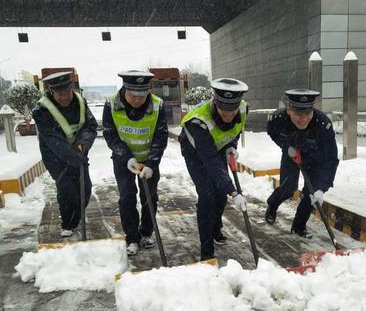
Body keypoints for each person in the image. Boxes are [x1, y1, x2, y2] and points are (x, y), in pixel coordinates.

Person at [179, 78, 249, 261]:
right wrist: (234, 192)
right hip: (195, 152)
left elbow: (233, 132)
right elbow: (210, 162)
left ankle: (215, 229)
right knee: (207, 196)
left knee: (220, 195)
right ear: (215, 102)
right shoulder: (198, 121)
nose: (228, 114)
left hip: (216, 149)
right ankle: (206, 251)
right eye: (223, 109)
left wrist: (231, 147)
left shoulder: (243, 109)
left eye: (232, 109)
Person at [103, 70, 168, 256]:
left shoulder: (157, 105)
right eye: (134, 95)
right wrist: (127, 157)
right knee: (127, 197)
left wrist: (151, 164)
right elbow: (110, 134)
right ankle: (131, 237)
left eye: (143, 95)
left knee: (150, 197)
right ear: (125, 90)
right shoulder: (111, 104)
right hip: (124, 160)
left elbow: (160, 136)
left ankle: (146, 233)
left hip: (148, 160)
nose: (138, 100)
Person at [265, 89, 339, 238]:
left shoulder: (323, 124)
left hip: (315, 160)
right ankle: (272, 205)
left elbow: (331, 159)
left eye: (307, 113)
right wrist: (287, 146)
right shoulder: (279, 118)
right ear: (289, 110)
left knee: (311, 194)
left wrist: (321, 188)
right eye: (298, 114)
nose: (303, 119)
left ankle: (299, 227)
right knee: (288, 187)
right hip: (292, 155)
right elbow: (271, 131)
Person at [33, 71, 97, 237]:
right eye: (60, 94)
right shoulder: (41, 110)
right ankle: (68, 224)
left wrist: (82, 145)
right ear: (52, 92)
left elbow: (90, 127)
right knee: (67, 190)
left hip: (80, 153)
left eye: (67, 92)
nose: (65, 97)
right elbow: (54, 140)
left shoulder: (80, 102)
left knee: (85, 189)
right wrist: (75, 155)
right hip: (56, 158)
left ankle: (77, 217)